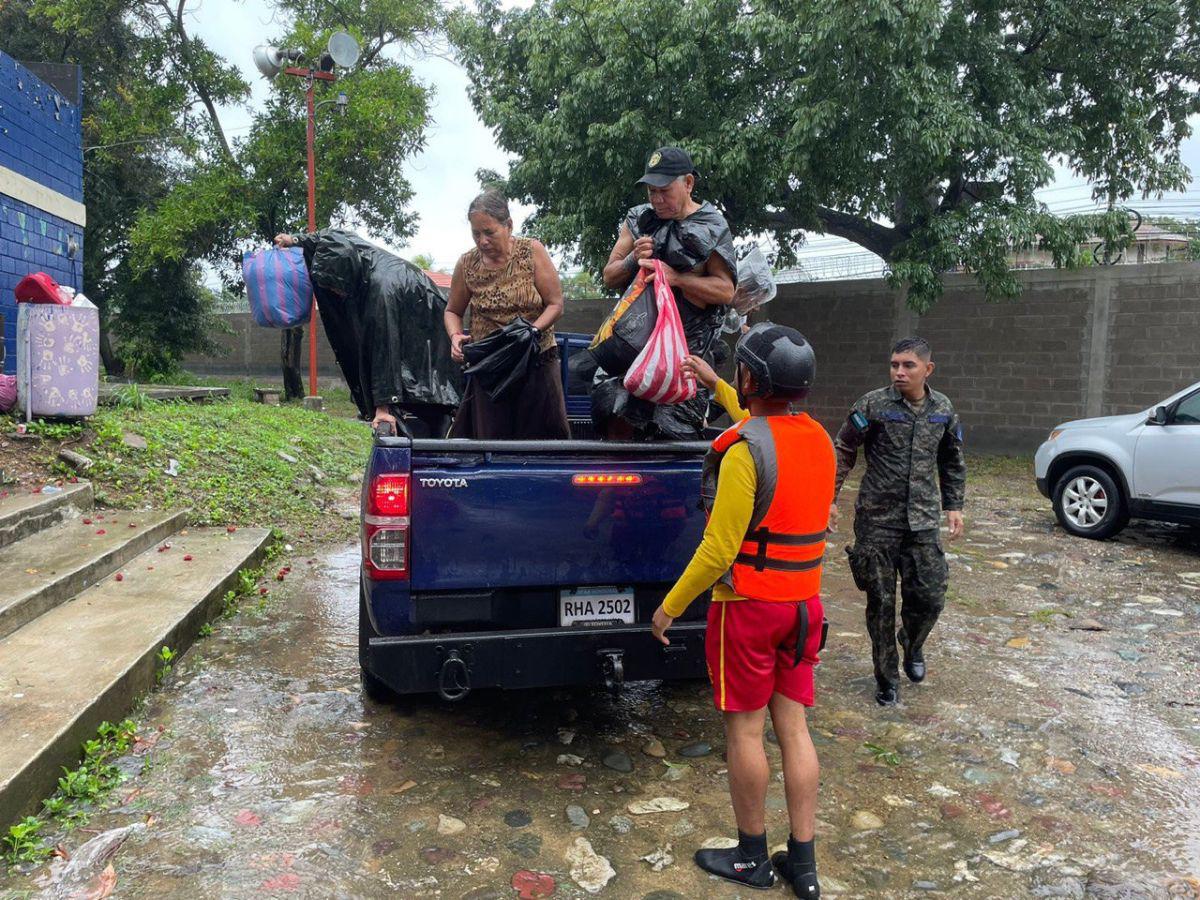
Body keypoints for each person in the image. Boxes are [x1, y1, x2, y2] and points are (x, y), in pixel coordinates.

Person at [652, 324, 835, 898]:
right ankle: (802, 864)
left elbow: (718, 550)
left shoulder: (740, 453)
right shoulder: (821, 439)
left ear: (751, 376)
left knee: (746, 734)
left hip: (750, 611)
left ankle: (751, 856)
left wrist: (669, 608)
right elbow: (765, 424)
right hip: (804, 607)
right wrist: (717, 387)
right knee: (795, 730)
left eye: (739, 371)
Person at [833, 337, 967, 707]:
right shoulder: (872, 405)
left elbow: (952, 459)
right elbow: (844, 448)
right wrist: (829, 497)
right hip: (877, 521)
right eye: (894, 364)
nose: (899, 372)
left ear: (928, 369)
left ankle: (913, 641)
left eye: (908, 365)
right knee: (880, 602)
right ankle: (886, 677)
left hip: (922, 520)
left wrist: (953, 506)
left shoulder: (943, 408)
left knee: (930, 596)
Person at [595, 146, 737, 440]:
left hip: (683, 362)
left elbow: (725, 290)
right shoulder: (638, 219)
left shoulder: (712, 226)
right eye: (651, 192)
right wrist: (634, 259)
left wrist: (677, 279)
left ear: (688, 183)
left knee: (669, 442)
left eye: (664, 191)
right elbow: (609, 275)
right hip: (633, 354)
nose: (657, 200)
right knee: (615, 429)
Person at [273, 229, 461, 436]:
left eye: (337, 288)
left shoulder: (381, 291)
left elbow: (385, 347)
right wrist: (294, 240)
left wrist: (383, 407)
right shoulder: (347, 246)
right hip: (415, 307)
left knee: (422, 400)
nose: (336, 293)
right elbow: (325, 237)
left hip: (427, 332)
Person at [444, 191, 570, 440]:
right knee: (490, 440)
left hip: (536, 360)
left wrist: (532, 331)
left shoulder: (531, 251)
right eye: (476, 234)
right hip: (490, 367)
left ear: (508, 225)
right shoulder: (467, 264)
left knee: (542, 443)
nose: (482, 241)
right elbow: (452, 311)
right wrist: (455, 336)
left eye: (489, 232)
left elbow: (555, 305)